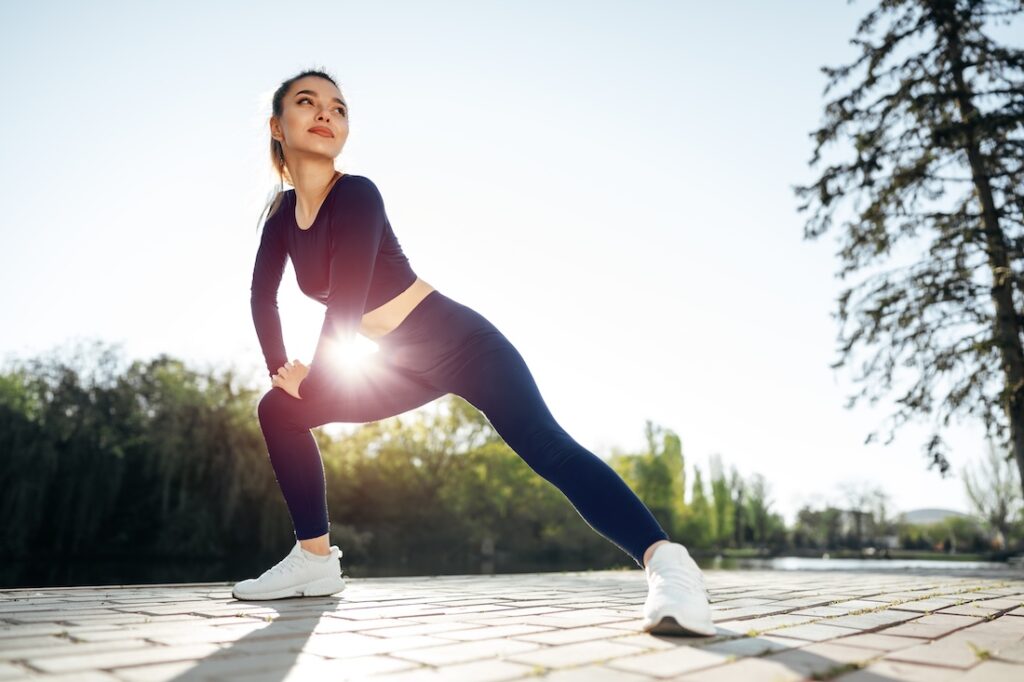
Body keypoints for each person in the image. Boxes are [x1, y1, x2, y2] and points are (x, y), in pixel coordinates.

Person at [231, 68, 715, 637]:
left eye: (338, 108)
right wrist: (280, 370)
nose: (326, 115)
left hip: (461, 344)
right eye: (308, 103)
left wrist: (318, 375)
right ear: (276, 125)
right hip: (397, 363)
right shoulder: (282, 219)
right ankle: (314, 561)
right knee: (277, 410)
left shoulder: (358, 194)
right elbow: (262, 296)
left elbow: (348, 297)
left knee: (548, 449)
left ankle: (669, 566)